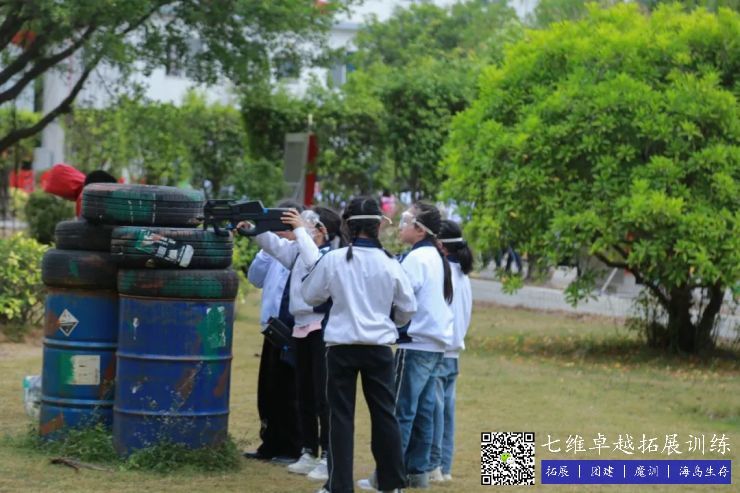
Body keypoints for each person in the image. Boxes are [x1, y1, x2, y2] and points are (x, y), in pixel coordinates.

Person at [302, 197, 416, 493]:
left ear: (347, 226)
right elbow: (408, 307)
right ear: (378, 225)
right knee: (384, 415)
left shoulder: (334, 259)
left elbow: (310, 295)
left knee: (340, 417)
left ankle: (339, 486)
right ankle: (391, 484)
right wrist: (390, 320)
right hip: (379, 348)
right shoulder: (390, 262)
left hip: (341, 347)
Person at [252, 206, 344, 481]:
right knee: (304, 393)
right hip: (300, 328)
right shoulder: (299, 251)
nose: (299, 227)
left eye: (307, 224)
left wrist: (301, 232)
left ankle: (328, 455)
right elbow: (274, 246)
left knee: (322, 397)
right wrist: (253, 228)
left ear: (321, 230)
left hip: (320, 329)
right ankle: (308, 450)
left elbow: (315, 262)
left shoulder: (329, 255)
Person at [379, 202, 454, 489]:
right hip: (435, 345)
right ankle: (417, 473)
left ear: (420, 230)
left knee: (402, 411)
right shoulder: (436, 257)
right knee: (423, 411)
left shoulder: (416, 259)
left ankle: (390, 477)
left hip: (415, 344)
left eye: (406, 221)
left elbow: (401, 297)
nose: (400, 226)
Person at [243, 200, 304, 463]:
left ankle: (292, 446)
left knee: (289, 391)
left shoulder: (300, 251)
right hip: (271, 329)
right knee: (268, 391)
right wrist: (267, 249)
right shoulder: (271, 250)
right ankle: (269, 443)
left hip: (292, 329)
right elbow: (255, 279)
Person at [427, 220, 473, 482]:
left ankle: (434, 465)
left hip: (440, 351)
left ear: (441, 245)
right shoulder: (463, 275)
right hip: (454, 352)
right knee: (446, 412)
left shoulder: (443, 275)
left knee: (436, 412)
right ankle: (445, 467)